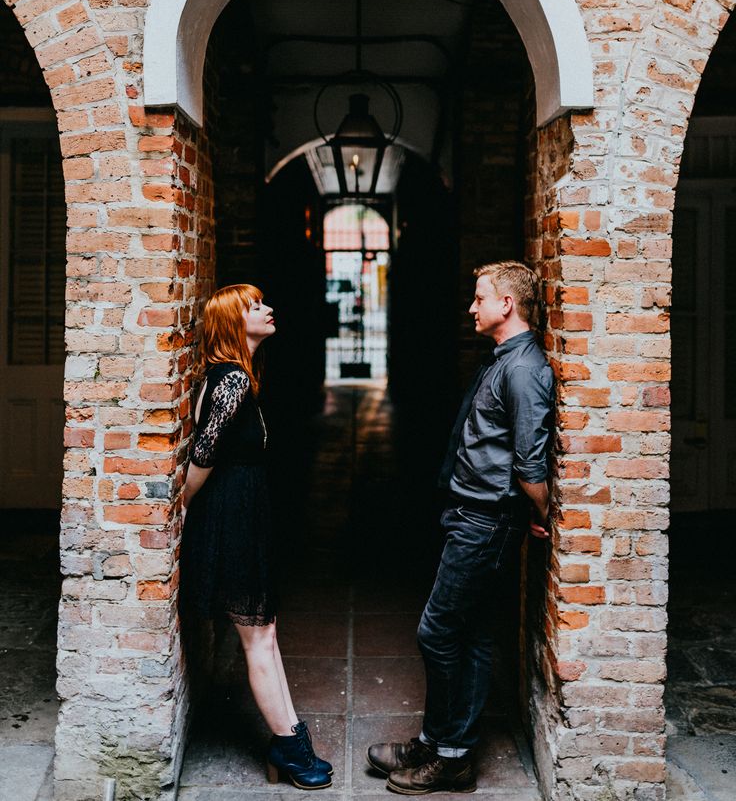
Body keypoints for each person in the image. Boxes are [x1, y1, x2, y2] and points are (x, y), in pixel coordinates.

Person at [368, 261, 554, 795]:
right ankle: (438, 745)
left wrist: (540, 516)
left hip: (486, 523)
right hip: (470, 515)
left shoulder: (524, 370)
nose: (472, 307)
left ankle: (449, 758)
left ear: (507, 305)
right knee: (470, 634)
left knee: (438, 630)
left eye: (480, 298)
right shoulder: (504, 359)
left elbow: (530, 465)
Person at [180, 283, 332, 790]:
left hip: (245, 510)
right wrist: (182, 504)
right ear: (232, 324)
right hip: (232, 515)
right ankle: (288, 746)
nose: (268, 309)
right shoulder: (231, 383)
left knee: (265, 632)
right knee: (258, 638)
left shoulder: (241, 376)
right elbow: (203, 453)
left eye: (264, 301)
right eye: (255, 306)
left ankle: (292, 736)